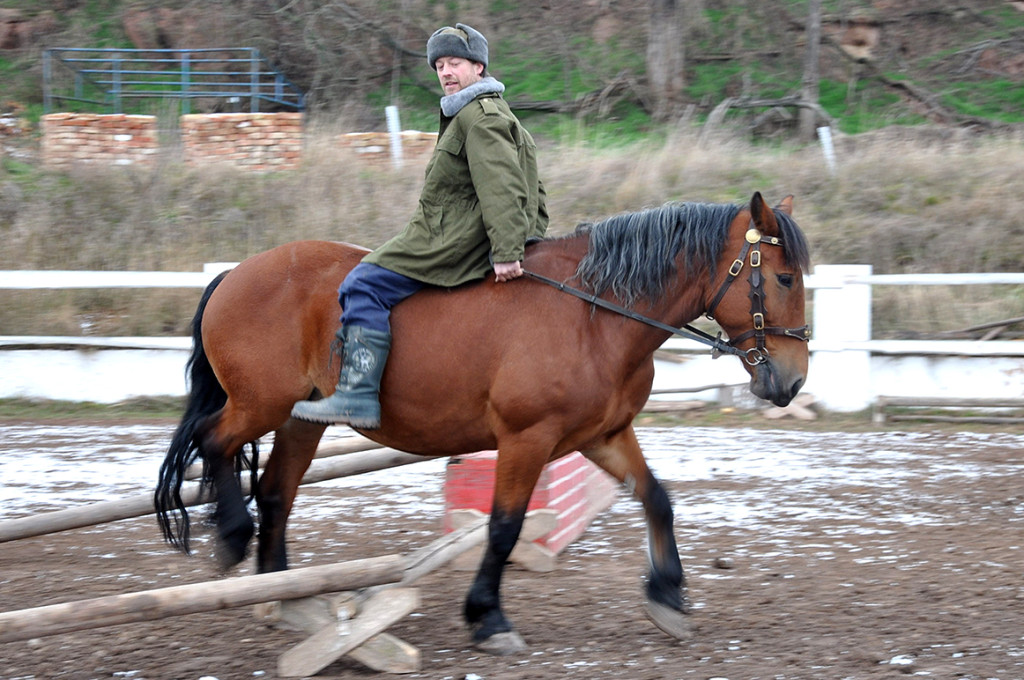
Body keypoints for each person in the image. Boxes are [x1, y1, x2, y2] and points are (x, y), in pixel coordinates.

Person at [291, 22, 549, 428]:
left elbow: (503, 187)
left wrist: (507, 252)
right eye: (440, 65)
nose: (446, 72)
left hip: (451, 240)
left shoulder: (478, 117)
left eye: (456, 63)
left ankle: (356, 394)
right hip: (452, 231)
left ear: (478, 67)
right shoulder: (478, 111)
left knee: (362, 283)